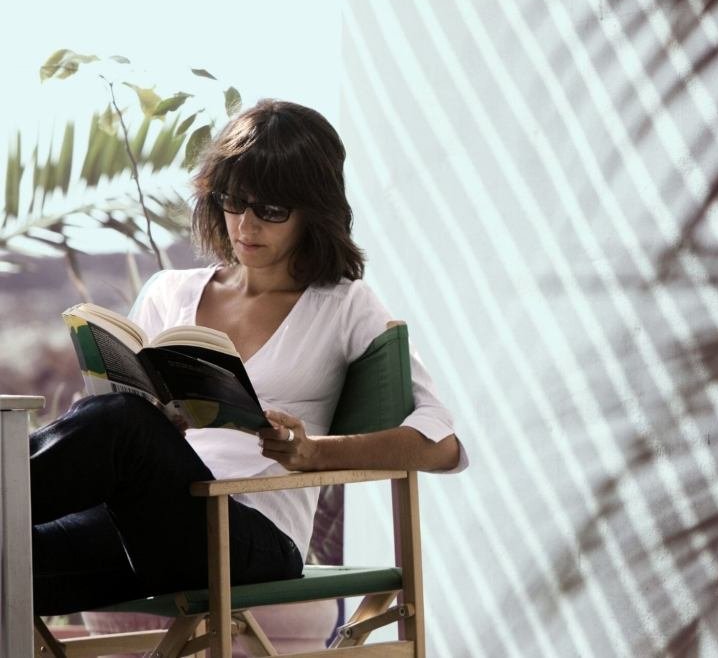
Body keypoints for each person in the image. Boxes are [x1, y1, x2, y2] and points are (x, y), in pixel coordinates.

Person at [31, 99, 466, 615]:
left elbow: (442, 443)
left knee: (123, 425)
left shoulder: (344, 304)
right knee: (16, 553)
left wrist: (314, 453)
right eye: (232, 202)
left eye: (271, 210)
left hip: (252, 538)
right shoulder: (170, 292)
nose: (245, 224)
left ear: (314, 210)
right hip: (144, 524)